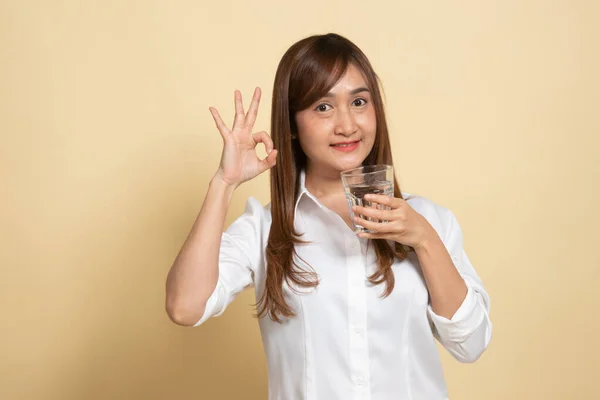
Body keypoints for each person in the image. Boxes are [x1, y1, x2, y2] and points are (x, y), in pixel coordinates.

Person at [165, 33, 492, 400]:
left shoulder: (428, 220)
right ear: (292, 124)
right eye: (323, 107)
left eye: (358, 101)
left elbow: (471, 343)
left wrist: (425, 240)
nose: (347, 125)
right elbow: (184, 306)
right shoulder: (265, 229)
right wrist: (224, 182)